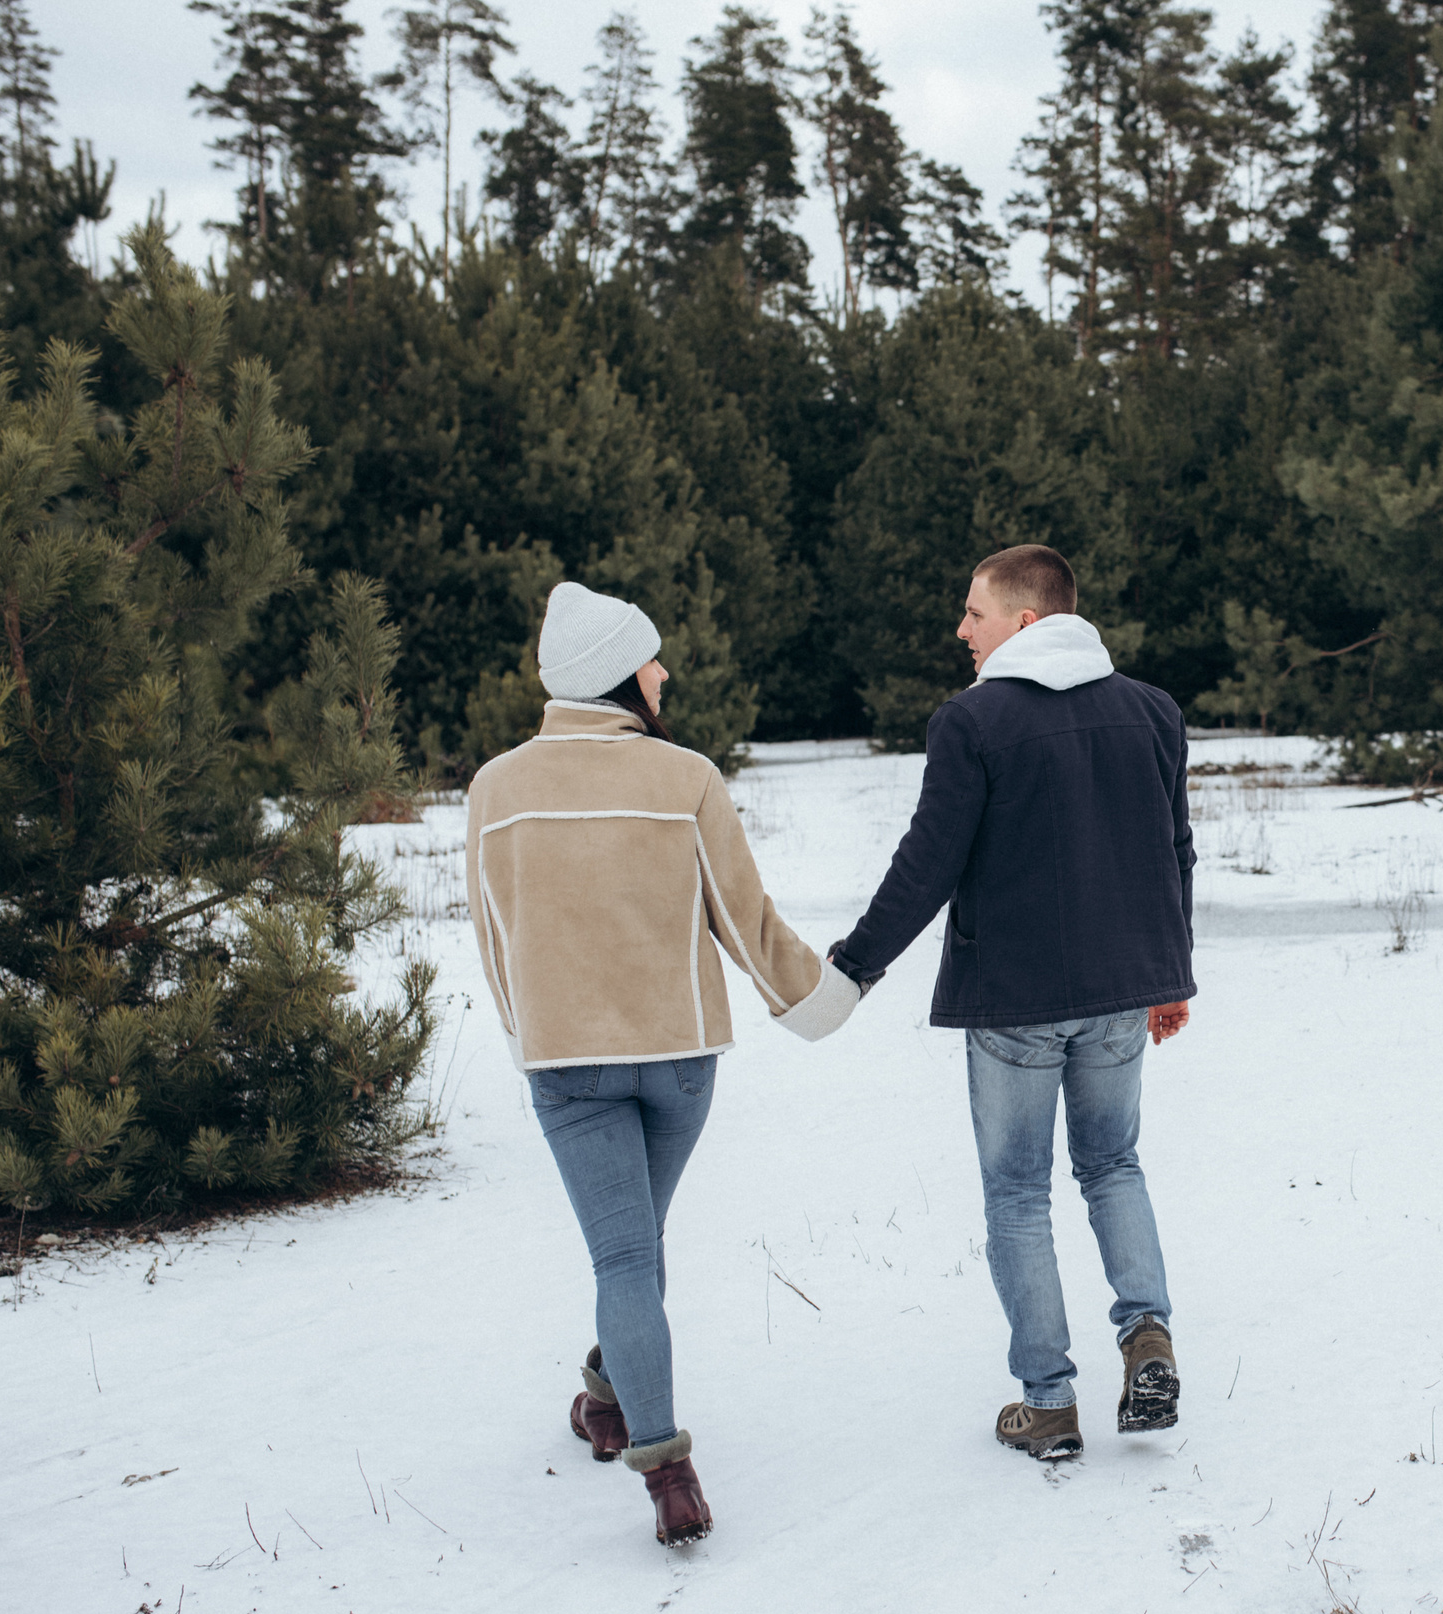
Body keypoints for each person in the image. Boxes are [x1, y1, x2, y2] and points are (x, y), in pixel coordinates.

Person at [464, 581, 859, 1545]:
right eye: (651, 658)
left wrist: (531, 1039)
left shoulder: (494, 789)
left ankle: (640, 1433)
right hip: (680, 1059)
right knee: (635, 1250)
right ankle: (638, 1428)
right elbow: (745, 920)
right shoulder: (685, 777)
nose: (664, 671)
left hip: (569, 1067)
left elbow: (493, 934)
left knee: (626, 1255)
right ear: (614, 675)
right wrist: (819, 998)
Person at [830, 544, 1194, 1463]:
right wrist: (1169, 974)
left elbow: (928, 862)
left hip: (1014, 1005)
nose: (961, 630)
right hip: (1120, 990)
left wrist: (854, 966)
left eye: (973, 613)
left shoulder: (972, 721)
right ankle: (1146, 1330)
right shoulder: (1151, 710)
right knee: (1113, 1164)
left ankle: (1048, 1402)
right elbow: (1173, 852)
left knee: (1018, 1194)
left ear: (1027, 621)